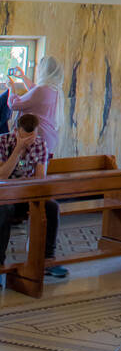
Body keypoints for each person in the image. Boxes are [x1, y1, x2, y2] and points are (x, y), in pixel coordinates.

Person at [0, 111, 68, 282]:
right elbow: (2, 176)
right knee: (4, 210)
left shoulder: (39, 144)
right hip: (4, 196)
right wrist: (18, 149)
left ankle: (47, 260)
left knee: (51, 206)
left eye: (33, 135)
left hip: (27, 193)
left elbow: (40, 179)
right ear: (16, 131)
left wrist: (30, 184)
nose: (30, 140)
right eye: (25, 137)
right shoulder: (2, 142)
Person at [7, 55, 63, 156]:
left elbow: (14, 105)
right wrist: (23, 77)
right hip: (48, 138)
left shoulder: (41, 91)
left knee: (24, 168)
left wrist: (12, 88)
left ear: (44, 71)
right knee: (41, 168)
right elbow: (34, 90)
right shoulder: (54, 89)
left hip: (35, 137)